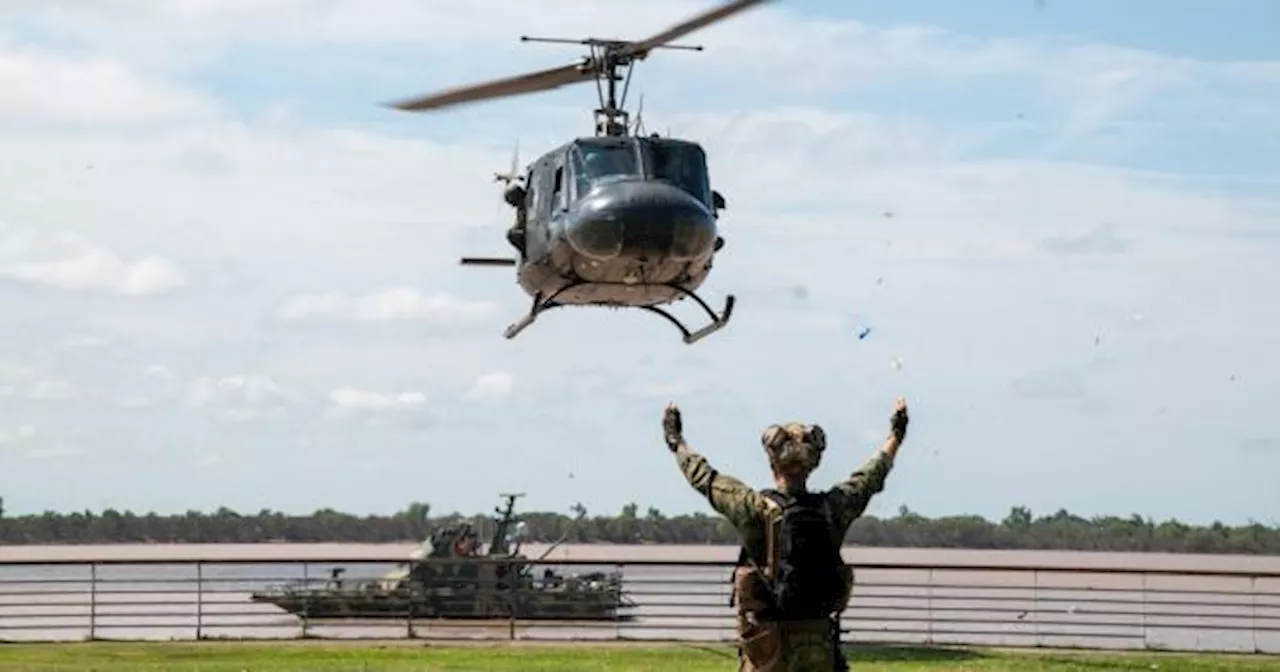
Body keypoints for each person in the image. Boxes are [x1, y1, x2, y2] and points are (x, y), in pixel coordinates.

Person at [662, 397, 910, 672]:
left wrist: (676, 440)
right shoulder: (833, 508)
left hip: (767, 650)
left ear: (772, 462)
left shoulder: (751, 508)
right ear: (813, 463)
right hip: (819, 649)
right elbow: (871, 476)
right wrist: (896, 434)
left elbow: (705, 478)